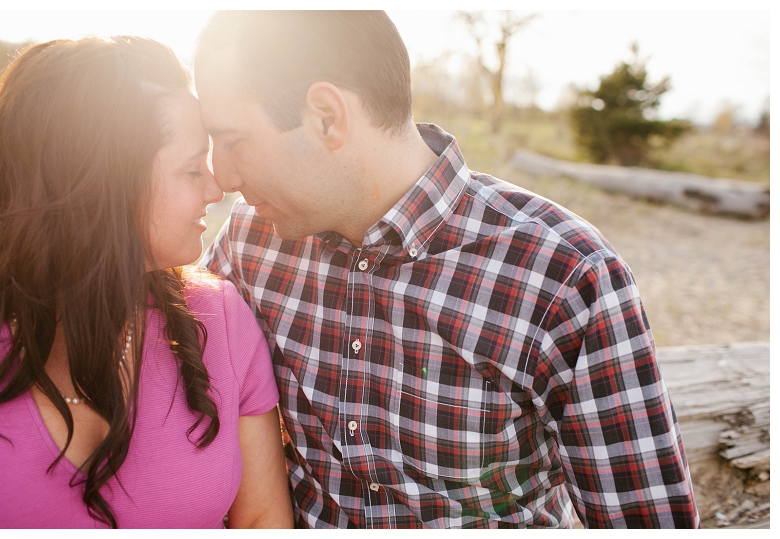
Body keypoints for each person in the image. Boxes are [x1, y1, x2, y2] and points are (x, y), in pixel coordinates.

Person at [194, 11, 699, 528]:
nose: (223, 177)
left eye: (232, 141)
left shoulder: (565, 275)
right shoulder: (251, 241)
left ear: (327, 116)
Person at [0, 36, 294, 529]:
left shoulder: (219, 319)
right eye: (193, 169)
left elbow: (261, 518)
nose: (216, 190)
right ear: (104, 186)